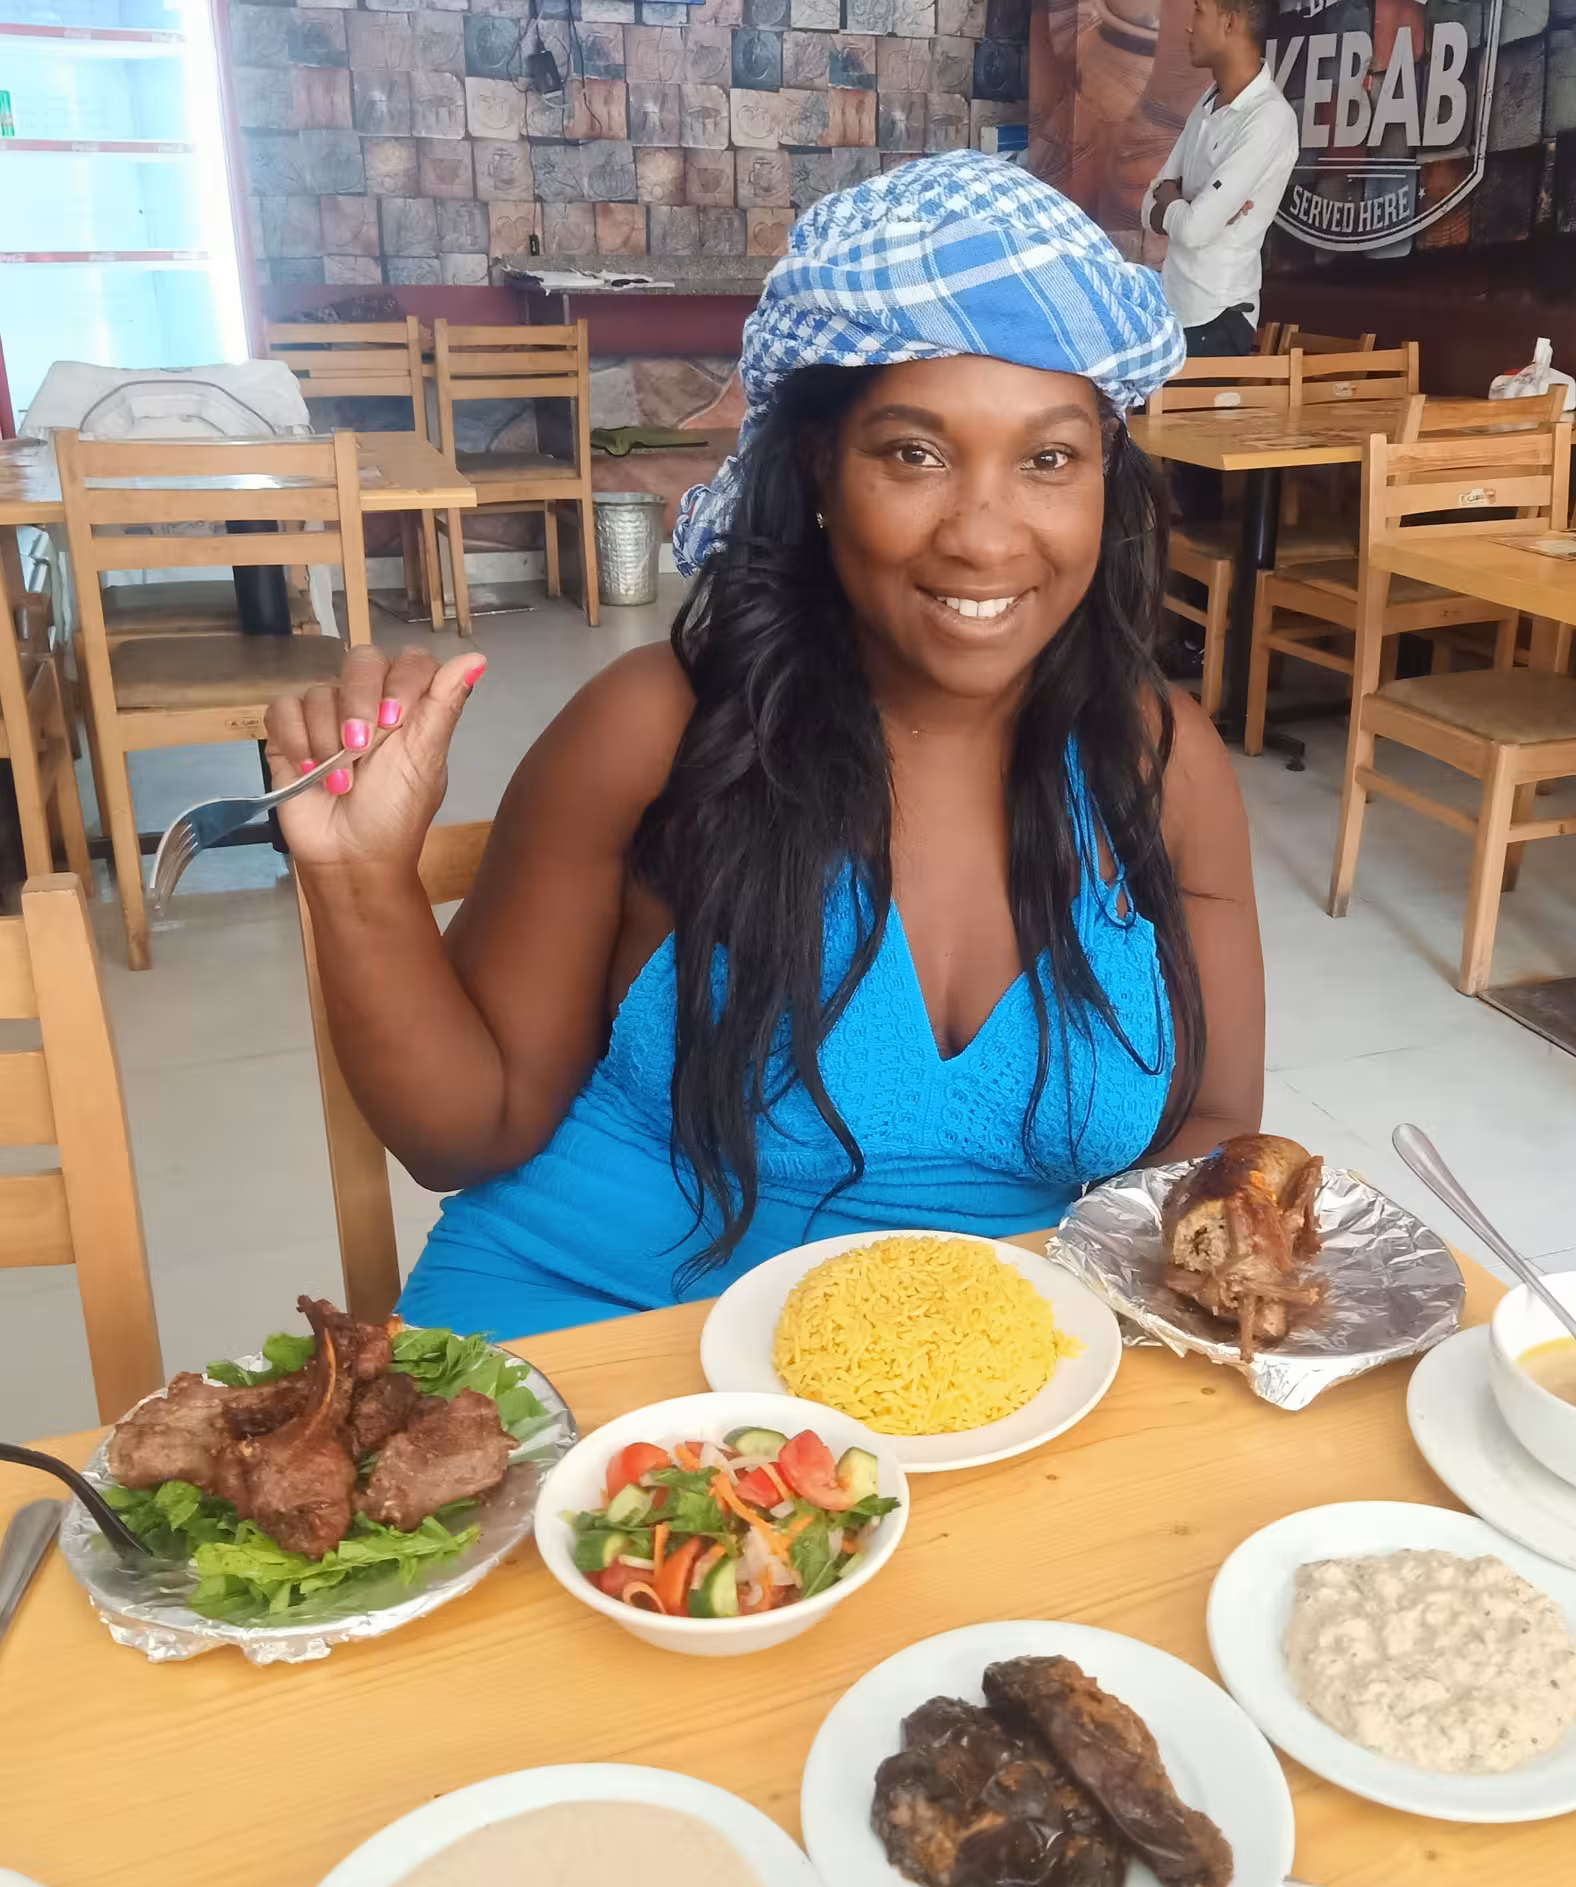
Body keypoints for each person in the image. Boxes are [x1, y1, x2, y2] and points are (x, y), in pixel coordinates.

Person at [270, 151, 1265, 1340]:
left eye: (1048, 458)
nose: (986, 536)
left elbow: (1209, 1130)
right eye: (915, 453)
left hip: (970, 1367)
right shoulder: (657, 727)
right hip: (598, 1325)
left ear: (1107, 477)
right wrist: (358, 882)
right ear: (818, 465)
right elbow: (461, 1136)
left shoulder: (1164, 764)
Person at [1142, 0, 1298, 364]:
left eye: (1199, 11)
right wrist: (1183, 204)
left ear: (1229, 22)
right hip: (1174, 312)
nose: (1189, 26)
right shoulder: (1209, 101)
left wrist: (1174, 199)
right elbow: (1148, 206)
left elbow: (1194, 230)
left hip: (1217, 316)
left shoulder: (1269, 118)